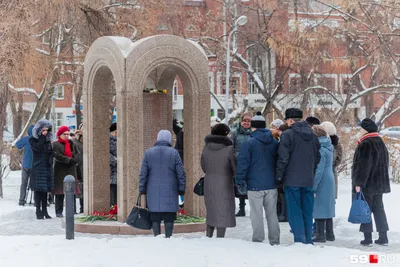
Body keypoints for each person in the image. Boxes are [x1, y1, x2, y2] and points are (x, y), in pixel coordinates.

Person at [276, 108, 320, 244]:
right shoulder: (312, 134)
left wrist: (279, 176)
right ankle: (308, 240)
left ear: (289, 120)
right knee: (307, 210)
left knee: (295, 211)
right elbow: (317, 156)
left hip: (292, 179)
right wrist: (311, 171)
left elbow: (283, 158)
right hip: (308, 179)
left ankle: (300, 240)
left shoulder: (288, 134)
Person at [236, 112, 280, 245]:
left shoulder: (249, 143)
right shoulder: (274, 142)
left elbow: (242, 164)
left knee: (256, 214)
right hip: (271, 184)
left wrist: (239, 181)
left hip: (254, 185)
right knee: (272, 214)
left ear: (253, 127)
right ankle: (274, 240)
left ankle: (258, 239)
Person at [139, 130, 186, 238]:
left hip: (152, 190)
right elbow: (181, 173)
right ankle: (168, 237)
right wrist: (182, 188)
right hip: (171, 189)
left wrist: (142, 188)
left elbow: (143, 173)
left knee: (155, 216)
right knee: (169, 216)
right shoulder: (174, 153)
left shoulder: (148, 153)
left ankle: (157, 236)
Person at [352, 118, 390, 246]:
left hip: (368, 184)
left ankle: (367, 238)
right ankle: (383, 236)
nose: (360, 130)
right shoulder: (380, 141)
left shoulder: (366, 143)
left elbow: (363, 166)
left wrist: (358, 183)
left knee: (365, 209)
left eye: (361, 128)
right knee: (379, 209)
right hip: (379, 184)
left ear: (365, 129)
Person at [201, 123, 236, 238]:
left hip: (209, 182)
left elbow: (203, 166)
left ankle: (208, 235)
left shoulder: (206, 148)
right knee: (223, 209)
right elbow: (234, 167)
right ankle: (220, 237)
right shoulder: (229, 149)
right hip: (224, 183)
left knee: (211, 209)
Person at [311, 126, 336, 243]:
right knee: (328, 206)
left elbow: (318, 170)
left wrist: (313, 186)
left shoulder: (320, 149)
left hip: (323, 180)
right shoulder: (328, 146)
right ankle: (330, 233)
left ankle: (320, 234)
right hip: (329, 177)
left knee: (319, 206)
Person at [53, 126, 80, 217]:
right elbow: (57, 156)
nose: (66, 136)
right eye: (64, 134)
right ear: (60, 135)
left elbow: (77, 154)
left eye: (68, 134)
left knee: (71, 191)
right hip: (60, 170)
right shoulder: (55, 144)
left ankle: (71, 210)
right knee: (60, 192)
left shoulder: (72, 143)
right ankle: (58, 211)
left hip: (71, 169)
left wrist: (74, 159)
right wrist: (68, 160)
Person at [29, 120, 54, 220]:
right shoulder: (33, 140)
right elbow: (37, 148)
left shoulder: (48, 141)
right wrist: (42, 137)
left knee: (45, 190)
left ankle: (45, 211)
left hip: (47, 167)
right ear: (39, 130)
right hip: (38, 168)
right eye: (43, 130)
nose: (45, 132)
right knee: (38, 190)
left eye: (47, 130)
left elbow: (50, 152)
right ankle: (38, 211)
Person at [230, 112, 252, 217]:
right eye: (245, 121)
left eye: (249, 121)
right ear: (241, 121)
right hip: (239, 163)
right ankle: (242, 208)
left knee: (252, 185)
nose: (246, 123)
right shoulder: (234, 133)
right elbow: (231, 148)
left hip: (252, 164)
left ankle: (253, 208)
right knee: (240, 185)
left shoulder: (253, 133)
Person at [321, 121, 342, 199]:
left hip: (325, 174)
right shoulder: (337, 143)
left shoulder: (324, 143)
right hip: (332, 174)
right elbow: (338, 159)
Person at [15, 125, 34, 206]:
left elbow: (17, 145)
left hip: (26, 164)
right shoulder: (37, 140)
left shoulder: (26, 139)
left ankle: (21, 200)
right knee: (34, 183)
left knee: (24, 183)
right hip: (34, 165)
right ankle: (36, 200)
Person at [276, 123, 290, 222]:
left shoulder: (284, 142)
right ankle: (282, 213)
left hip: (284, 170)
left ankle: (284, 214)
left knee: (282, 193)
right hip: (286, 170)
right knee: (281, 193)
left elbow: (283, 158)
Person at [74, 129, 84, 213]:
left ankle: (82, 207)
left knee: (82, 189)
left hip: (83, 168)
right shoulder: (75, 143)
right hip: (78, 168)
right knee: (77, 189)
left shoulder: (83, 143)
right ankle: (75, 208)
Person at [109, 122, 117, 206]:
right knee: (112, 189)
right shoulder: (108, 140)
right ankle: (112, 207)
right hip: (111, 171)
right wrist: (116, 160)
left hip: (119, 170)